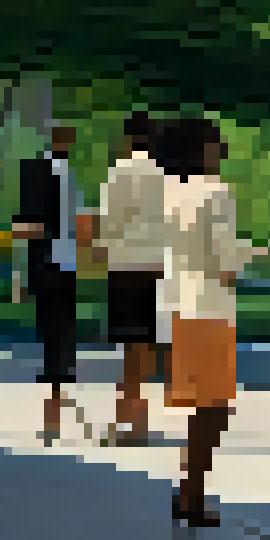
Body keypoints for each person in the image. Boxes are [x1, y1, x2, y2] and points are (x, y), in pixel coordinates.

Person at [156, 118, 256, 528]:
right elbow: (225, 260)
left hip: (173, 305)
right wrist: (254, 253)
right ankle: (190, 496)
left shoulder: (166, 193)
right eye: (216, 142)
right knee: (213, 408)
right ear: (202, 149)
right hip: (207, 308)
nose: (223, 147)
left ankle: (190, 492)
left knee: (203, 405)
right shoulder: (216, 192)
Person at [14, 123, 87, 445]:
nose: (65, 140)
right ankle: (52, 410)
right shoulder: (35, 172)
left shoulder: (71, 175)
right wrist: (19, 273)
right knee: (52, 336)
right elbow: (23, 225)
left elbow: (76, 222)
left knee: (62, 335)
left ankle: (55, 409)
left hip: (66, 264)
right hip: (46, 264)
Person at [97, 113, 168, 447]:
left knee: (131, 348)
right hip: (159, 267)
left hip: (127, 266)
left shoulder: (120, 172)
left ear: (128, 139)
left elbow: (109, 223)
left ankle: (128, 421)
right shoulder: (168, 175)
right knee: (150, 347)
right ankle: (139, 421)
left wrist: (101, 248)